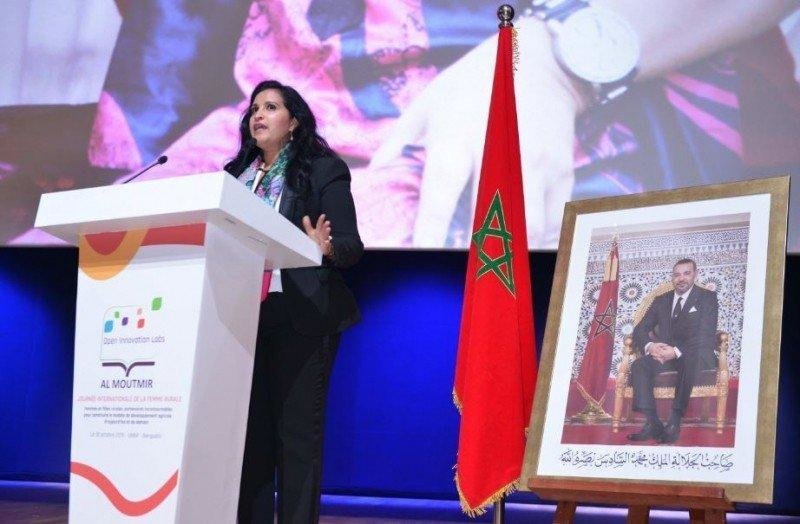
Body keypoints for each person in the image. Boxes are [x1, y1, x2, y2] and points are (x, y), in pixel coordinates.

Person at [224, 79, 363, 522]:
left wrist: (324, 248)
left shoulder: (322, 170)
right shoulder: (234, 178)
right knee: (251, 442)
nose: (258, 115)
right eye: (253, 109)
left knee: (297, 440)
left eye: (270, 107)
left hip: (300, 317)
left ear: (294, 121)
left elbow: (350, 245)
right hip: (241, 317)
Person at [628, 258, 719, 444]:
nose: (681, 278)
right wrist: (651, 346)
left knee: (688, 360)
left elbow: (706, 334)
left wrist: (676, 351)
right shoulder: (661, 300)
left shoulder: (707, 298)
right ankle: (652, 422)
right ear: (672, 277)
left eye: (686, 273)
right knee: (639, 365)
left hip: (695, 354)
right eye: (677, 274)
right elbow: (640, 329)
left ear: (695, 275)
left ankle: (674, 421)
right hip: (665, 356)